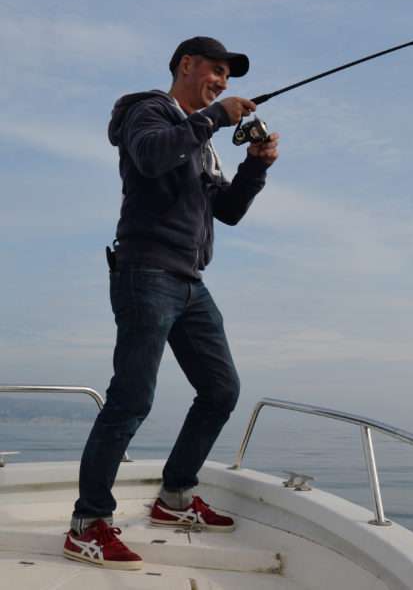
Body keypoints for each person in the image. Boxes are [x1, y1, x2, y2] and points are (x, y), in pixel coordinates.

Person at [63, 37, 281, 570]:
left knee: (221, 389)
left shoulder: (199, 138)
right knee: (132, 400)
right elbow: (151, 154)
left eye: (228, 78)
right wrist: (211, 116)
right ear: (187, 65)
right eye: (216, 71)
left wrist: (255, 166)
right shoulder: (149, 112)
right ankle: (88, 524)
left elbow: (225, 212)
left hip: (189, 281)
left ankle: (175, 496)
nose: (224, 84)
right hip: (146, 273)